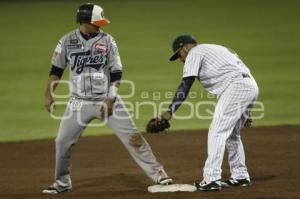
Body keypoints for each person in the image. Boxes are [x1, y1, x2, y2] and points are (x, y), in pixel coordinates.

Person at [42, 3, 172, 194]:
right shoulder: (66, 41)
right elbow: (56, 70)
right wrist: (49, 94)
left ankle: (159, 173)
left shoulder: (108, 41)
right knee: (62, 141)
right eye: (97, 23)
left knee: (132, 137)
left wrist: (111, 98)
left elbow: (117, 72)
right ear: (85, 22)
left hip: (107, 100)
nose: (101, 26)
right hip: (78, 102)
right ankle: (62, 183)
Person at [158, 35, 259, 191]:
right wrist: (247, 110)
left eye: (179, 54)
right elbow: (235, 74)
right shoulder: (217, 49)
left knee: (217, 131)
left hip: (237, 87)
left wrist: (170, 111)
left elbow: (186, 84)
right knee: (232, 133)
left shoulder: (194, 52)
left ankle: (211, 179)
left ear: (185, 47)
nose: (180, 59)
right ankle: (240, 176)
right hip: (249, 86)